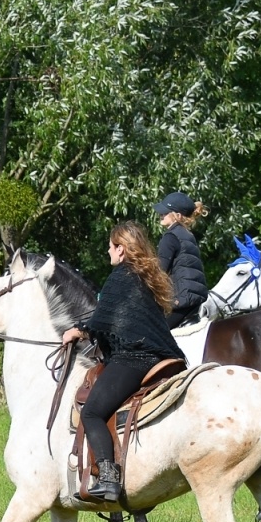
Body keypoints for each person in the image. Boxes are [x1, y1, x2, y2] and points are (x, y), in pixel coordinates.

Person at [60, 221, 186, 503]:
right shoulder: (147, 276)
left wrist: (77, 331)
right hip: (163, 356)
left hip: (135, 358)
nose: (107, 251)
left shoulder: (121, 277)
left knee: (91, 412)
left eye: (110, 246)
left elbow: (102, 320)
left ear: (121, 249)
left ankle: (108, 477)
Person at [154, 190, 209, 328]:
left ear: (177, 216)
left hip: (179, 302)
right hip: (195, 302)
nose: (161, 215)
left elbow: (158, 273)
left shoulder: (170, 237)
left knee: (148, 334)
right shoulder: (188, 235)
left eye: (165, 212)